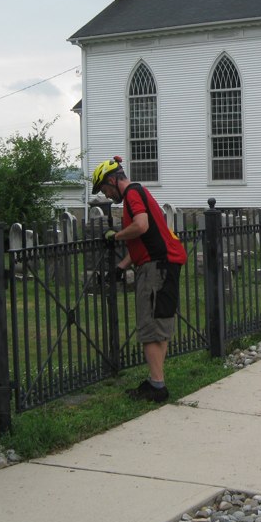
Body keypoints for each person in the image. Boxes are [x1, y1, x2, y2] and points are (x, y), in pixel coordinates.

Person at [92, 156, 187, 403]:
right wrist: (122, 267)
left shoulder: (133, 194)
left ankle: (157, 387)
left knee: (150, 327)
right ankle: (157, 381)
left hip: (157, 269)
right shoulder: (139, 192)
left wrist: (115, 236)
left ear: (113, 180)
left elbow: (141, 226)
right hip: (165, 263)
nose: (107, 195)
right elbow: (148, 241)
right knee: (160, 325)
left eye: (105, 189)